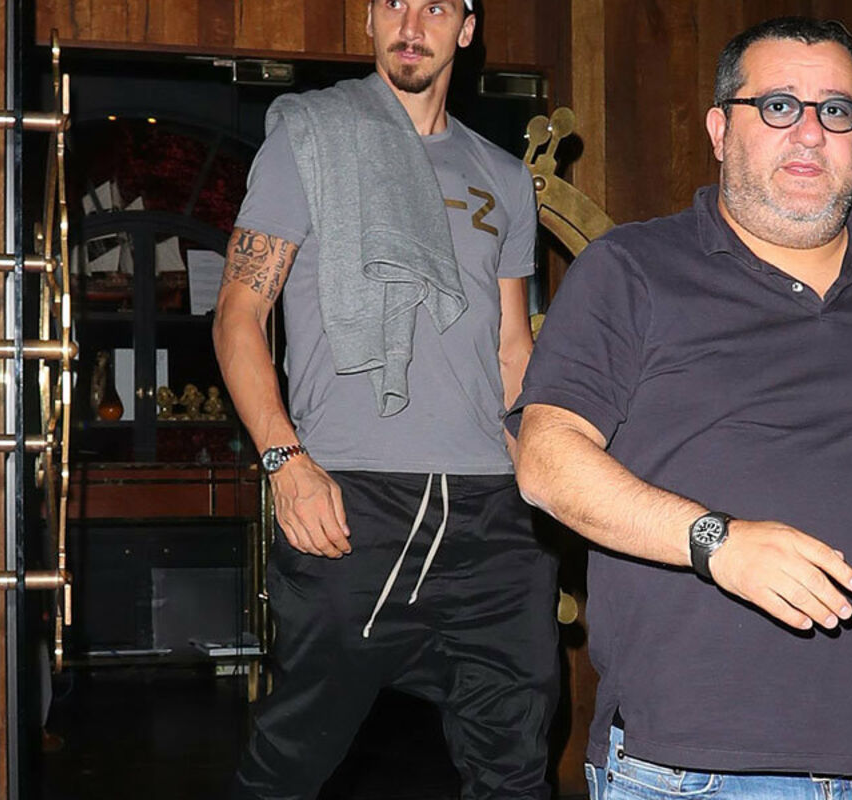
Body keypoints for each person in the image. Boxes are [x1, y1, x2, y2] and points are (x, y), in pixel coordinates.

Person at [510, 16, 852, 800]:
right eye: (778, 106)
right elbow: (545, 458)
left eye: (836, 110)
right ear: (719, 130)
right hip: (683, 772)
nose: (809, 132)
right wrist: (717, 542)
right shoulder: (632, 270)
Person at [213, 1, 558, 797]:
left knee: (515, 768)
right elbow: (238, 316)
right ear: (369, 20)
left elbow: (512, 349)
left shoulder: (505, 176)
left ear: (464, 29)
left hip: (496, 515)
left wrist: (550, 476)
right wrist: (286, 462)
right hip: (354, 504)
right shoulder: (311, 141)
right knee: (292, 763)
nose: (412, 23)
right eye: (394, 2)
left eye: (434, 5)